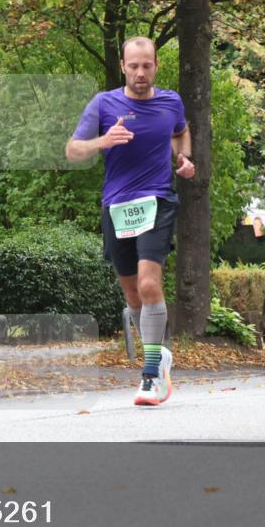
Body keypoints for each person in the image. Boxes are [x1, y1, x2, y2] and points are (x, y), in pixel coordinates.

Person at [65, 37, 195, 405]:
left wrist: (183, 158)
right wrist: (102, 142)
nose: (140, 72)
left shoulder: (171, 101)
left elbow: (181, 130)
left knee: (149, 282)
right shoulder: (104, 104)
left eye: (147, 65)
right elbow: (73, 149)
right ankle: (159, 353)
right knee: (132, 293)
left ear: (156, 66)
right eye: (133, 66)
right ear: (123, 66)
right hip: (117, 206)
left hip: (157, 200)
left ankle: (152, 373)